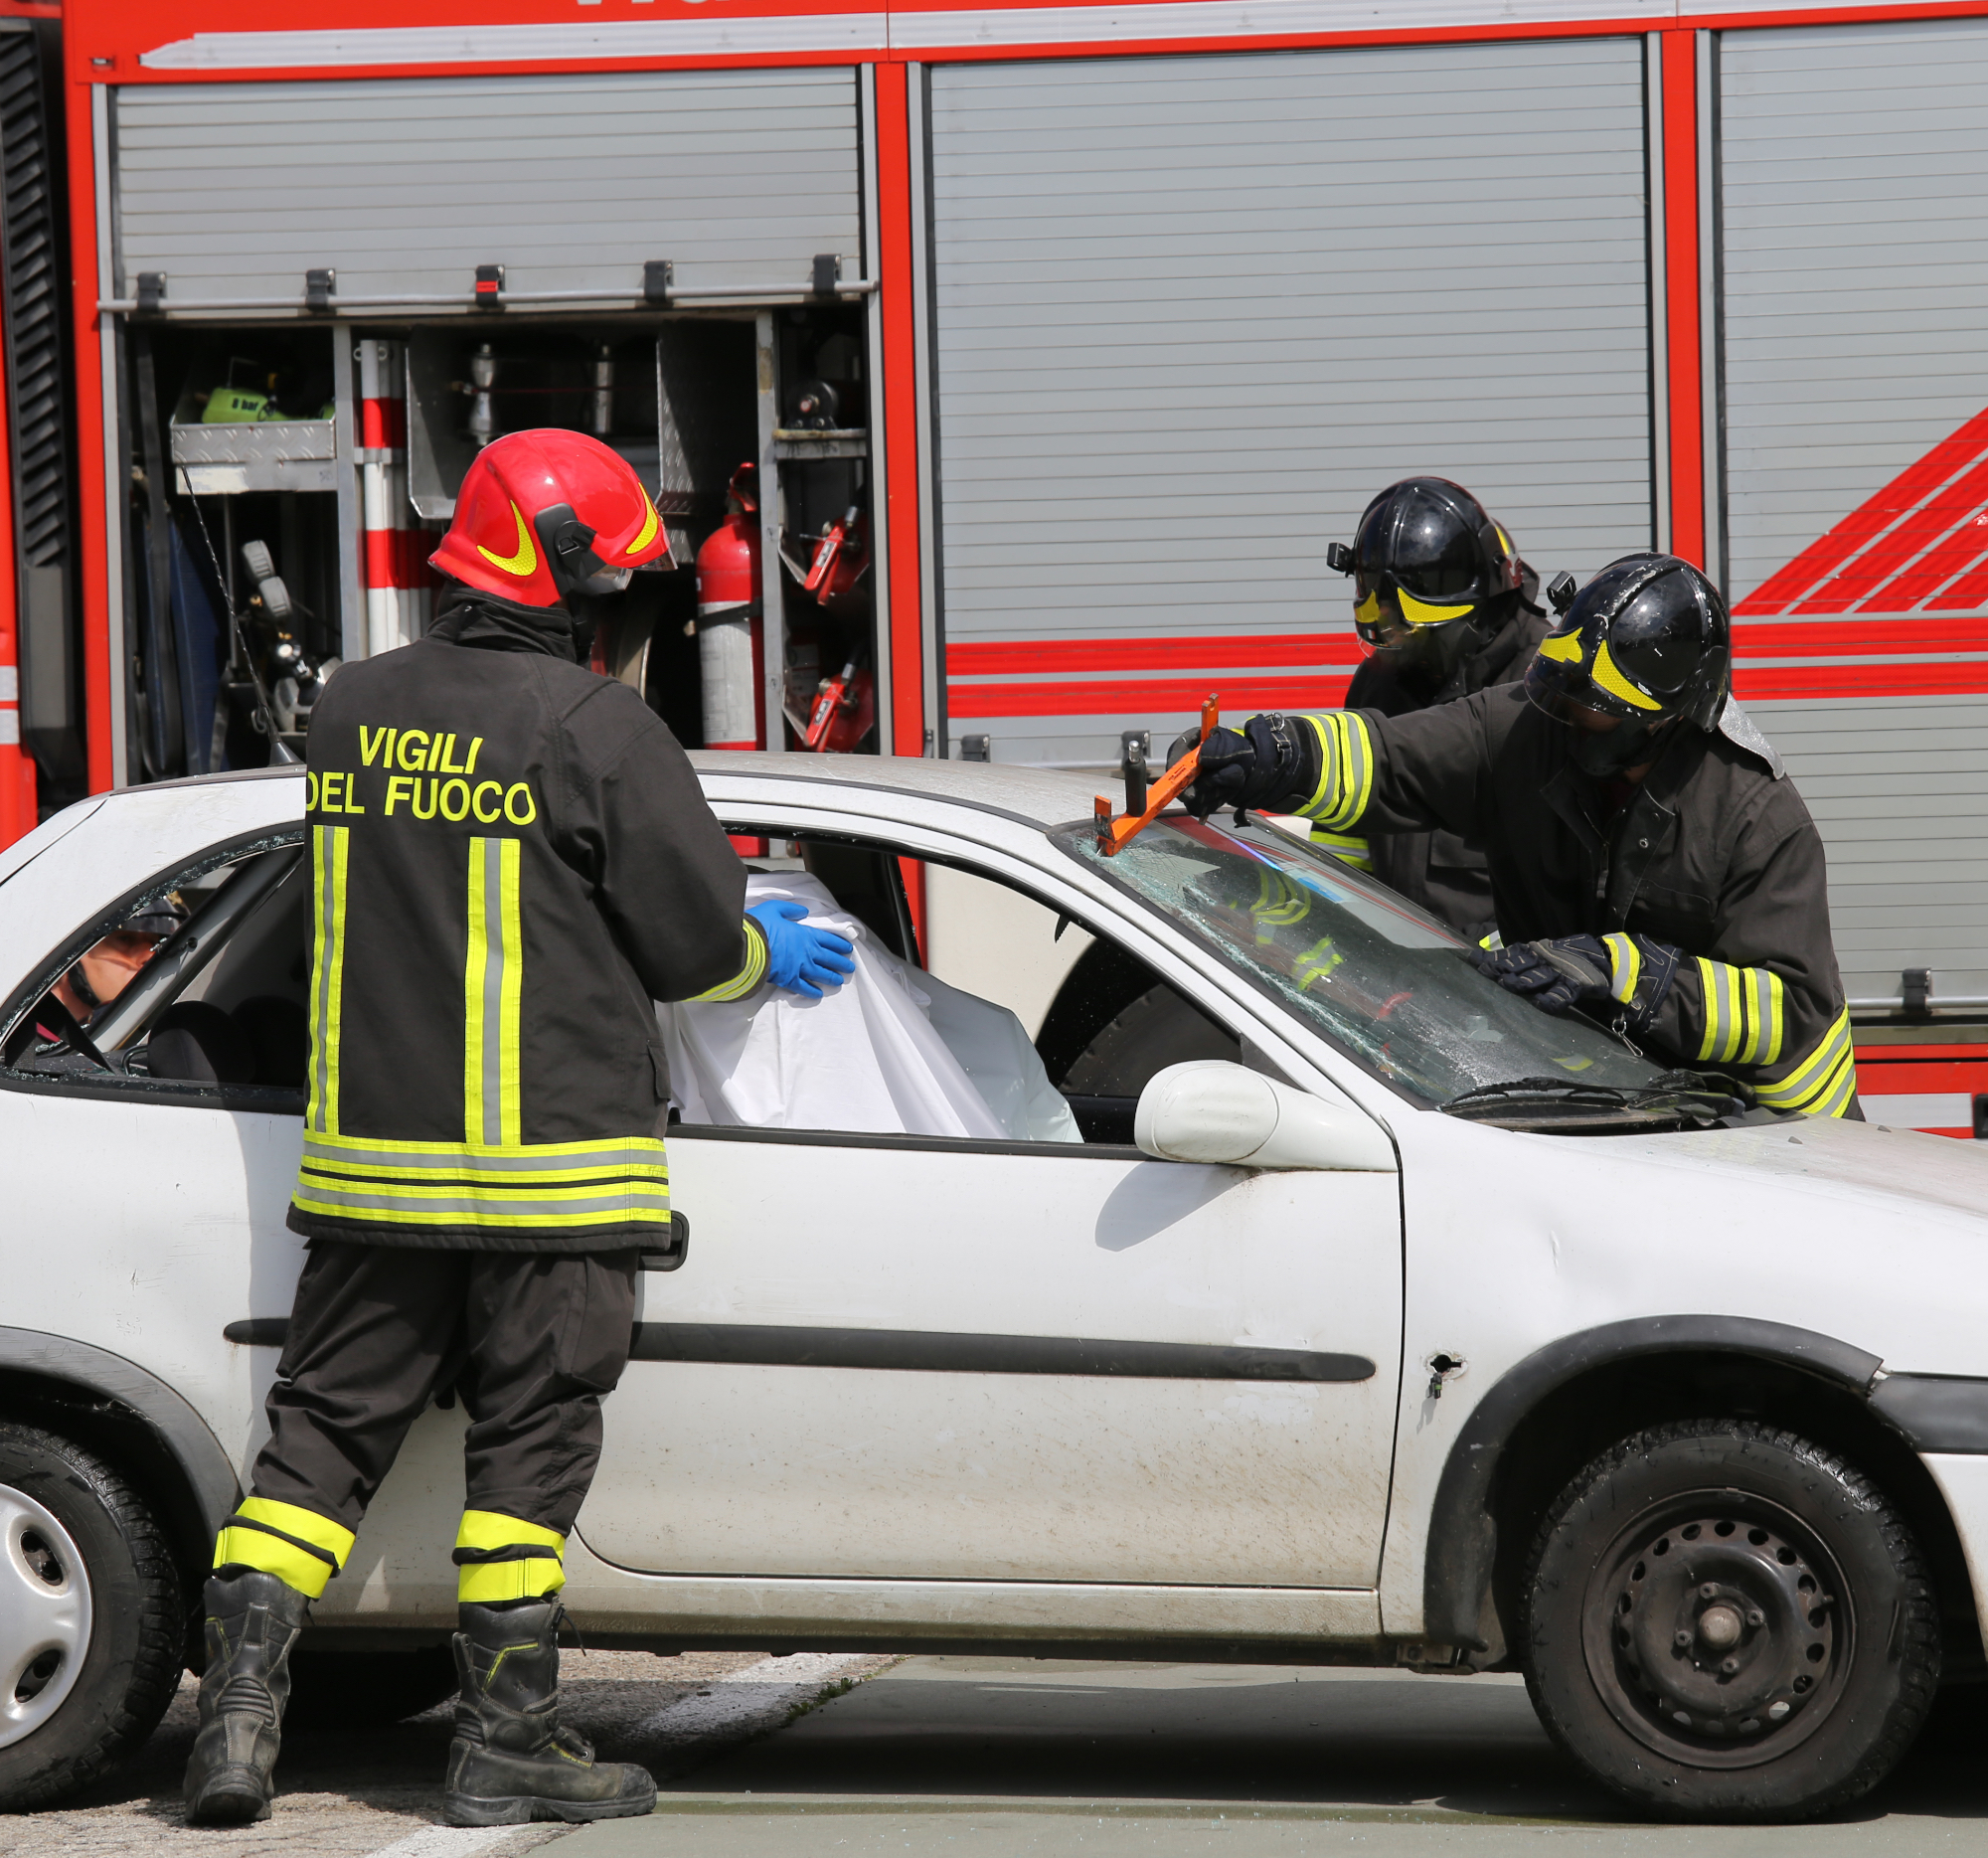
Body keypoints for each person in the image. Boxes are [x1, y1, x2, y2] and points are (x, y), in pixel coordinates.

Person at [182, 429, 853, 1829]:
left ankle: (236, 1725)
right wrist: (760, 953)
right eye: (610, 580)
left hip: (375, 1177)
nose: (621, 607)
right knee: (526, 1452)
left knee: (317, 1443)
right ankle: (505, 1744)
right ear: (560, 575)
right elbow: (690, 946)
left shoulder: (349, 714)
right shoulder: (596, 727)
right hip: (554, 1178)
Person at [1181, 553, 1859, 1118]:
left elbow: (1789, 1008)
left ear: (1660, 721)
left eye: (1589, 708)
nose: (1562, 718)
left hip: (1779, 1129)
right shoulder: (1531, 732)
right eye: (1561, 691)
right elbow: (1393, 755)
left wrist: (1628, 972)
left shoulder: (1757, 818)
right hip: (1625, 1106)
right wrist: (1278, 755)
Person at [1316, 477, 1552, 935]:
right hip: (1402, 983)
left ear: (1473, 611)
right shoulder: (1379, 684)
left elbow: (1569, 881)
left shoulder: (1542, 692)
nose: (1394, 641)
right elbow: (1343, 838)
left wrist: (1491, 967)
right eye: (1385, 624)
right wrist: (1337, 930)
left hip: (1509, 992)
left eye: (1414, 630)